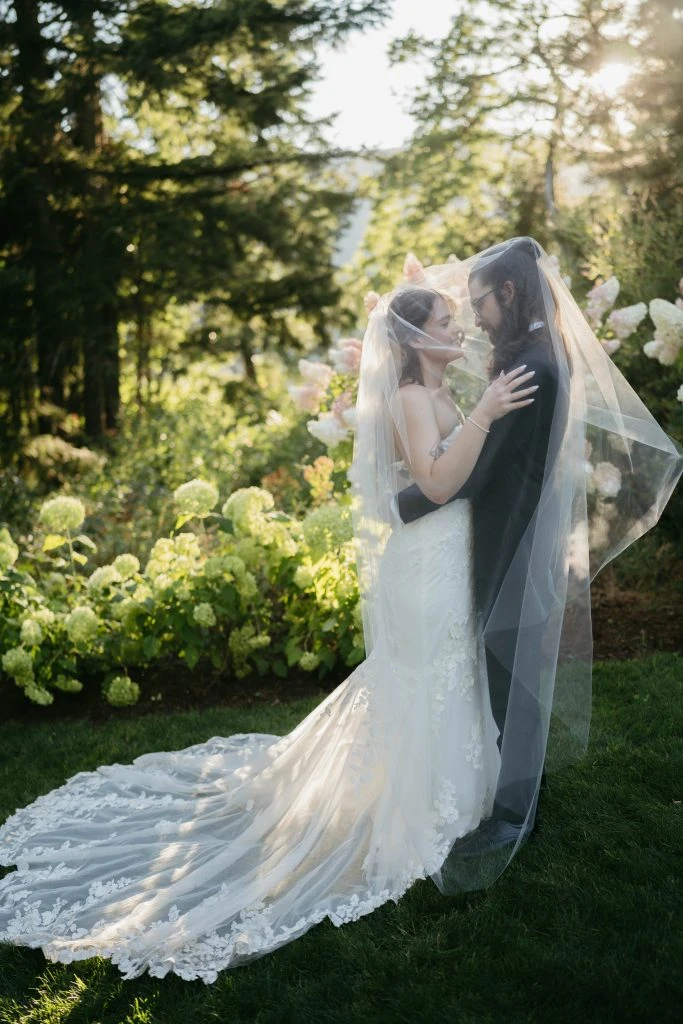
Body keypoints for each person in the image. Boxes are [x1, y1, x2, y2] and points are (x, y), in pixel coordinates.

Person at [0, 284, 538, 983]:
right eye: (445, 322)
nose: (458, 328)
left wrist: (483, 419)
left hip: (441, 553)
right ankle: (407, 807)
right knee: (426, 668)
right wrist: (488, 415)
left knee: (444, 666)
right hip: (424, 562)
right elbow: (434, 483)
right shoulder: (409, 397)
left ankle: (450, 788)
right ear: (414, 340)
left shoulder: (435, 391)